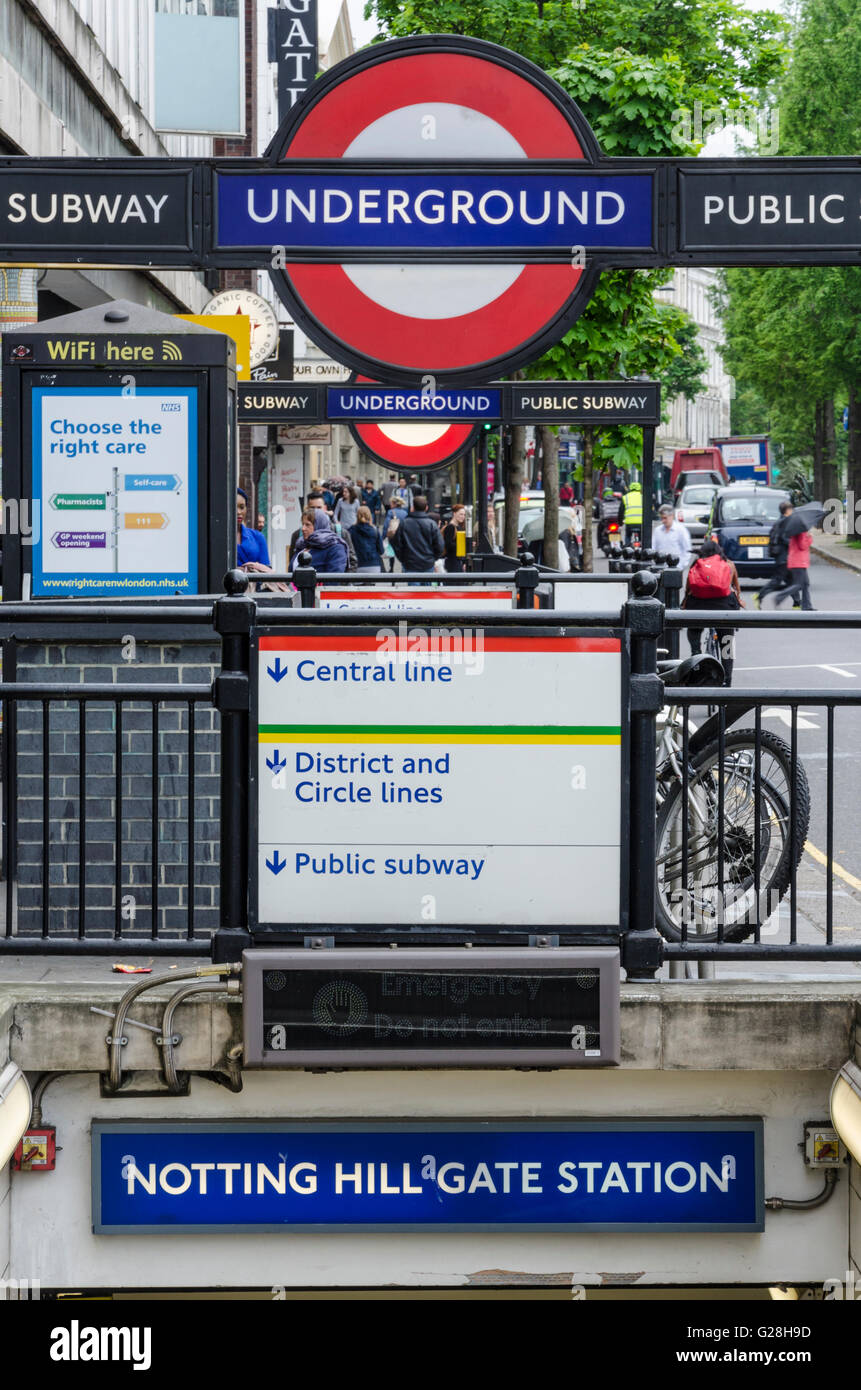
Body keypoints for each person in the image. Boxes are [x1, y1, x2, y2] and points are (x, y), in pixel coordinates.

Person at [683, 538, 744, 686]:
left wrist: (685, 604)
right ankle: (727, 679)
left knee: (694, 630)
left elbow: (688, 589)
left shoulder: (697, 564)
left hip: (698, 606)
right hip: (723, 608)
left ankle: (696, 653)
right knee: (727, 641)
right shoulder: (728, 564)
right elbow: (736, 589)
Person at [754, 500, 793, 608]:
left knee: (792, 580)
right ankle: (759, 596)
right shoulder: (785, 522)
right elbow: (784, 539)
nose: (792, 511)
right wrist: (794, 542)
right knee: (777, 581)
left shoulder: (781, 521)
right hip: (783, 556)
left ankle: (797, 602)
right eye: (791, 509)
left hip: (782, 556)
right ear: (787, 510)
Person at [391, 495, 444, 572]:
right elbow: (439, 545)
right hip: (427, 563)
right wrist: (433, 558)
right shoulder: (431, 524)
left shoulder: (404, 523)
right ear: (426, 508)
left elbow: (397, 543)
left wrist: (403, 559)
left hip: (410, 563)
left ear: (413, 508)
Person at [774, 515, 814, 610]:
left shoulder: (798, 531)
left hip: (798, 561)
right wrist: (809, 538)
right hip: (798, 562)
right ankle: (779, 597)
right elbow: (802, 546)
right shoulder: (801, 532)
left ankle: (806, 606)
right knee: (799, 584)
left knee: (805, 584)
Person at [291, 508, 348, 573]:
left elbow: (334, 579)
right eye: (303, 524)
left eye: (307, 525)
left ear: (319, 525)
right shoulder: (301, 545)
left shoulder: (336, 548)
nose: (303, 528)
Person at [236, 487, 271, 568]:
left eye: (242, 507)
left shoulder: (258, 537)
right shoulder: (218, 538)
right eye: (234, 507)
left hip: (255, 580)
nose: (238, 512)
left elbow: (266, 570)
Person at [350, 505, 385, 573]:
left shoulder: (352, 530)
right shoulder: (375, 530)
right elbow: (381, 551)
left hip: (358, 565)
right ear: (369, 516)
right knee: (371, 583)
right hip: (374, 565)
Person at [442, 504, 467, 573]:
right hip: (452, 561)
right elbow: (448, 544)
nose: (463, 517)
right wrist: (462, 545)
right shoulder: (451, 527)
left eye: (464, 515)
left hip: (456, 560)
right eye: (461, 514)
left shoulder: (457, 527)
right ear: (454, 513)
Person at [618, 479, 643, 544]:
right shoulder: (643, 497)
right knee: (642, 538)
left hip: (629, 523)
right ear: (640, 489)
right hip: (641, 523)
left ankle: (627, 547)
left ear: (630, 489)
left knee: (628, 536)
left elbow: (621, 511)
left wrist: (620, 523)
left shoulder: (625, 497)